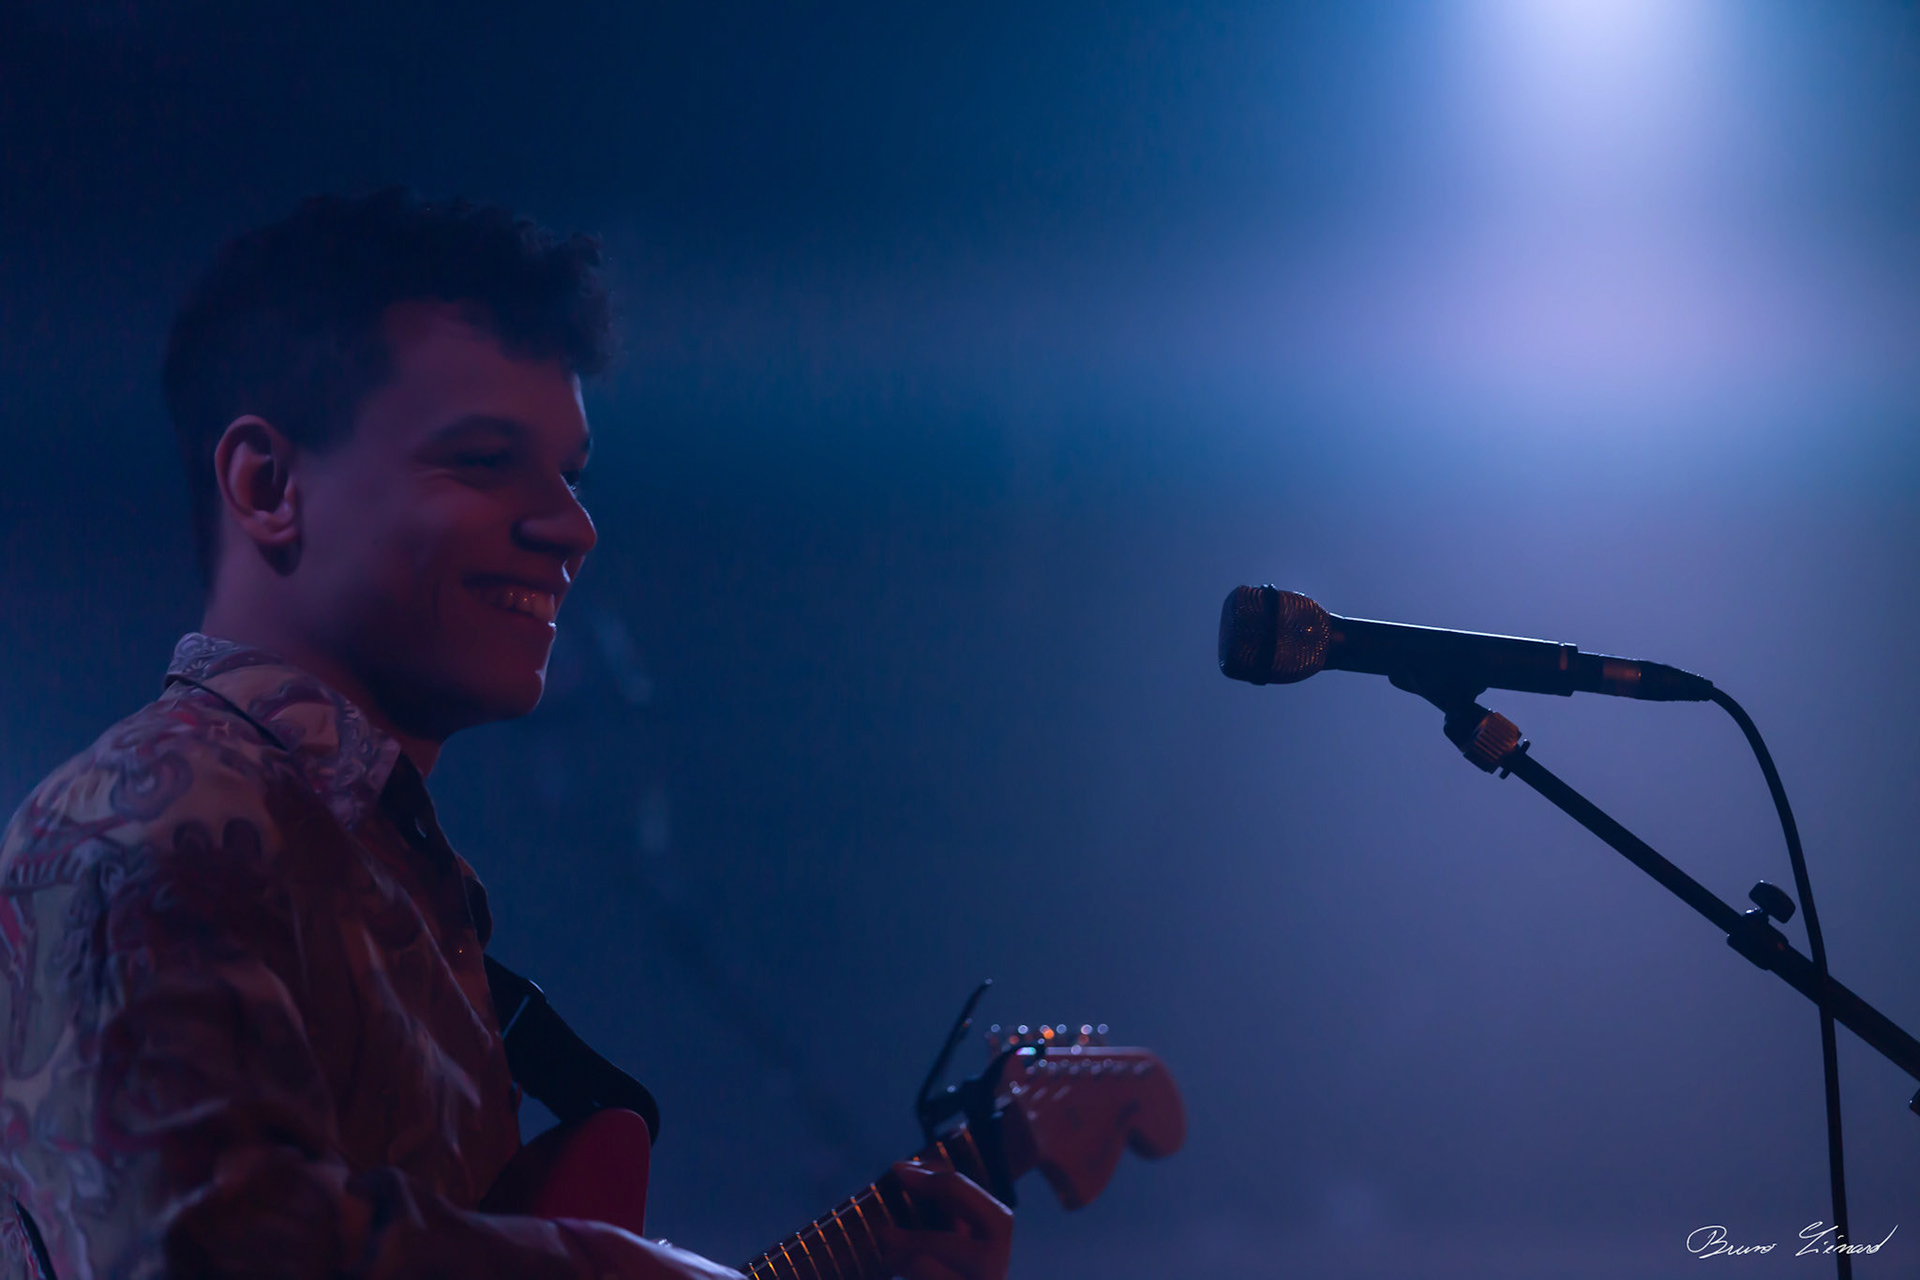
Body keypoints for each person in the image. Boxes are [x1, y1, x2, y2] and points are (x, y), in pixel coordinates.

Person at [0, 191, 1013, 1280]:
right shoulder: (147, 822)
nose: (573, 525)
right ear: (268, 486)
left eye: (568, 473)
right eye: (484, 459)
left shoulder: (383, 867)